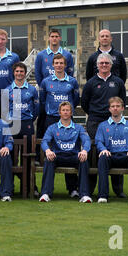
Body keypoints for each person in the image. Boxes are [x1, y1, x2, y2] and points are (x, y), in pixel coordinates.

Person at [81, 52, 126, 197]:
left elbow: (121, 101)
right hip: (95, 122)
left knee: (116, 150)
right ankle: (90, 189)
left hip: (113, 121)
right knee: (95, 154)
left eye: (107, 63)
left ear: (111, 65)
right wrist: (95, 114)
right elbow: (84, 104)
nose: (104, 65)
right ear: (97, 65)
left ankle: (118, 189)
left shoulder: (118, 82)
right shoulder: (91, 83)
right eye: (101, 63)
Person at [39, 53, 80, 197]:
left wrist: (66, 112)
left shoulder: (72, 82)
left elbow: (75, 100)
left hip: (68, 119)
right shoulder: (46, 82)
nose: (59, 65)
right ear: (52, 65)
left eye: (61, 63)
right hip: (51, 119)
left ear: (66, 65)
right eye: (56, 63)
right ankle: (47, 190)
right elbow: (43, 101)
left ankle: (73, 189)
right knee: (51, 153)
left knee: (70, 150)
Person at [34, 29, 75, 166]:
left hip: (66, 112)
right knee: (45, 135)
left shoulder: (67, 55)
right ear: (49, 38)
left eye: (57, 36)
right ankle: (42, 158)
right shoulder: (41, 55)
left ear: (60, 38)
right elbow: (39, 77)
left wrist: (67, 107)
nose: (54, 38)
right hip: (50, 109)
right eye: (52, 36)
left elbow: (75, 97)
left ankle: (68, 158)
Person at [39, 101, 92, 203]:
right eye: (63, 110)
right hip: (58, 156)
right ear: (59, 112)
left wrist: (84, 150)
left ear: (71, 112)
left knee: (84, 161)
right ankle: (46, 194)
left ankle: (84, 195)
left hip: (73, 156)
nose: (65, 112)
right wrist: (48, 150)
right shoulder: (52, 128)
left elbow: (86, 140)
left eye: (68, 110)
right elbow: (45, 141)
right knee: (49, 160)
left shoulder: (78, 128)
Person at [95, 97, 128, 204]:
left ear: (122, 108)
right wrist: (103, 149)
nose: (115, 108)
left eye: (117, 106)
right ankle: (103, 195)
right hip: (110, 156)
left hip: (126, 156)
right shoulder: (103, 126)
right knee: (102, 158)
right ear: (109, 109)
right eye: (113, 106)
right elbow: (98, 141)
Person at [6, 62, 39, 196]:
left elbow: (36, 109)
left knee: (28, 157)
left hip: (27, 124)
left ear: (25, 73)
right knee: (12, 157)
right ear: (13, 73)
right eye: (17, 71)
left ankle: (31, 187)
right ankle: (10, 187)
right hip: (12, 124)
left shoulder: (31, 90)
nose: (19, 74)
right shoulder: (7, 90)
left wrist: (30, 118)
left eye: (22, 71)